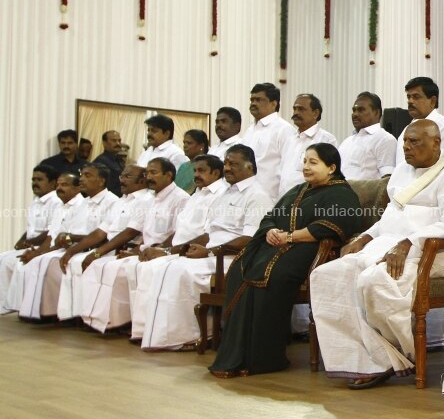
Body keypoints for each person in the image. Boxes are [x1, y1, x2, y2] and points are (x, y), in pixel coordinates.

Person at [309, 121, 444, 388]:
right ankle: (364, 358)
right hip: (388, 246)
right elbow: (390, 218)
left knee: (373, 282)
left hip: (435, 252)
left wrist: (408, 243)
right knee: (326, 275)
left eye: (414, 142)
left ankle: (397, 356)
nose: (407, 147)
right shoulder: (401, 171)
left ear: (436, 143)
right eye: (405, 142)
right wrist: (365, 237)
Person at [209, 143, 361, 377]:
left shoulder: (341, 193)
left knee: (272, 275)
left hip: (311, 251)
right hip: (278, 245)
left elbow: (329, 227)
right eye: (305, 161)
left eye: (313, 162)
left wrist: (290, 237)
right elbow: (270, 216)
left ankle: (263, 358)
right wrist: (271, 230)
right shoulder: (298, 190)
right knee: (242, 268)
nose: (306, 167)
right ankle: (237, 354)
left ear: (331, 168)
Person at [135, 150, 271, 350]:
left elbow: (251, 239)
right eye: (226, 163)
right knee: (164, 265)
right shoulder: (225, 194)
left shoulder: (257, 195)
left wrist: (209, 252)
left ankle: (194, 335)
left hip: (233, 258)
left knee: (179, 270)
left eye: (233, 164)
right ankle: (162, 334)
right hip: (213, 254)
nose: (227, 168)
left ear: (249, 166)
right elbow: (208, 234)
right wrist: (178, 250)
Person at [78, 158, 188, 332]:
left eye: (153, 172)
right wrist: (137, 251)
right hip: (146, 251)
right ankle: (105, 320)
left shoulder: (181, 198)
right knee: (102, 266)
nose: (148, 177)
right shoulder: (150, 199)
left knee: (121, 268)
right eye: (147, 173)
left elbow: (178, 233)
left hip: (166, 252)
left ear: (168, 175)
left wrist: (159, 249)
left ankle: (138, 326)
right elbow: (142, 232)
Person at [17, 167, 122, 321]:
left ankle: (72, 314)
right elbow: (64, 233)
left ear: (101, 181)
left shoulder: (112, 202)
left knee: (52, 262)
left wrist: (71, 240)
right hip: (75, 248)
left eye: (87, 175)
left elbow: (103, 236)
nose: (82, 179)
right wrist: (47, 249)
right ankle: (45, 311)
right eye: (81, 175)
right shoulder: (83, 203)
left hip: (96, 249)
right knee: (41, 260)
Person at [0, 165, 62, 313]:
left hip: (46, 247)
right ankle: (5, 302)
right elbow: (31, 228)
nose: (35, 183)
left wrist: (30, 243)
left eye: (40, 179)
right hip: (32, 245)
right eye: (33, 179)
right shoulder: (35, 201)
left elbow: (52, 231)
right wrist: (21, 240)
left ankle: (15, 305)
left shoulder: (57, 202)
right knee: (2, 257)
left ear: (52, 183)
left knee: (12, 262)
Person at [240, 82, 295, 200]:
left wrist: (283, 203)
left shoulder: (284, 130)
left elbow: (288, 170)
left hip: (270, 199)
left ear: (273, 104)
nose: (253, 103)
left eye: (258, 100)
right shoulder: (250, 130)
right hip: (245, 197)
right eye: (252, 100)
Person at [278, 94, 338, 194]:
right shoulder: (290, 140)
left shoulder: (326, 139)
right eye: (294, 109)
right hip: (284, 199)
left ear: (315, 113)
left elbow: (328, 176)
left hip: (309, 198)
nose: (296, 113)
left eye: (301, 109)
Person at [339, 91, 397, 180]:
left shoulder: (385, 139)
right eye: (354, 110)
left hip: (363, 189)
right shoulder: (347, 142)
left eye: (361, 110)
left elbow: (387, 180)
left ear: (376, 113)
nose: (355, 114)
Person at [400, 77, 444, 154]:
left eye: (416, 97)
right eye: (408, 97)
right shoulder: (407, 128)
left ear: (432, 101)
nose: (410, 101)